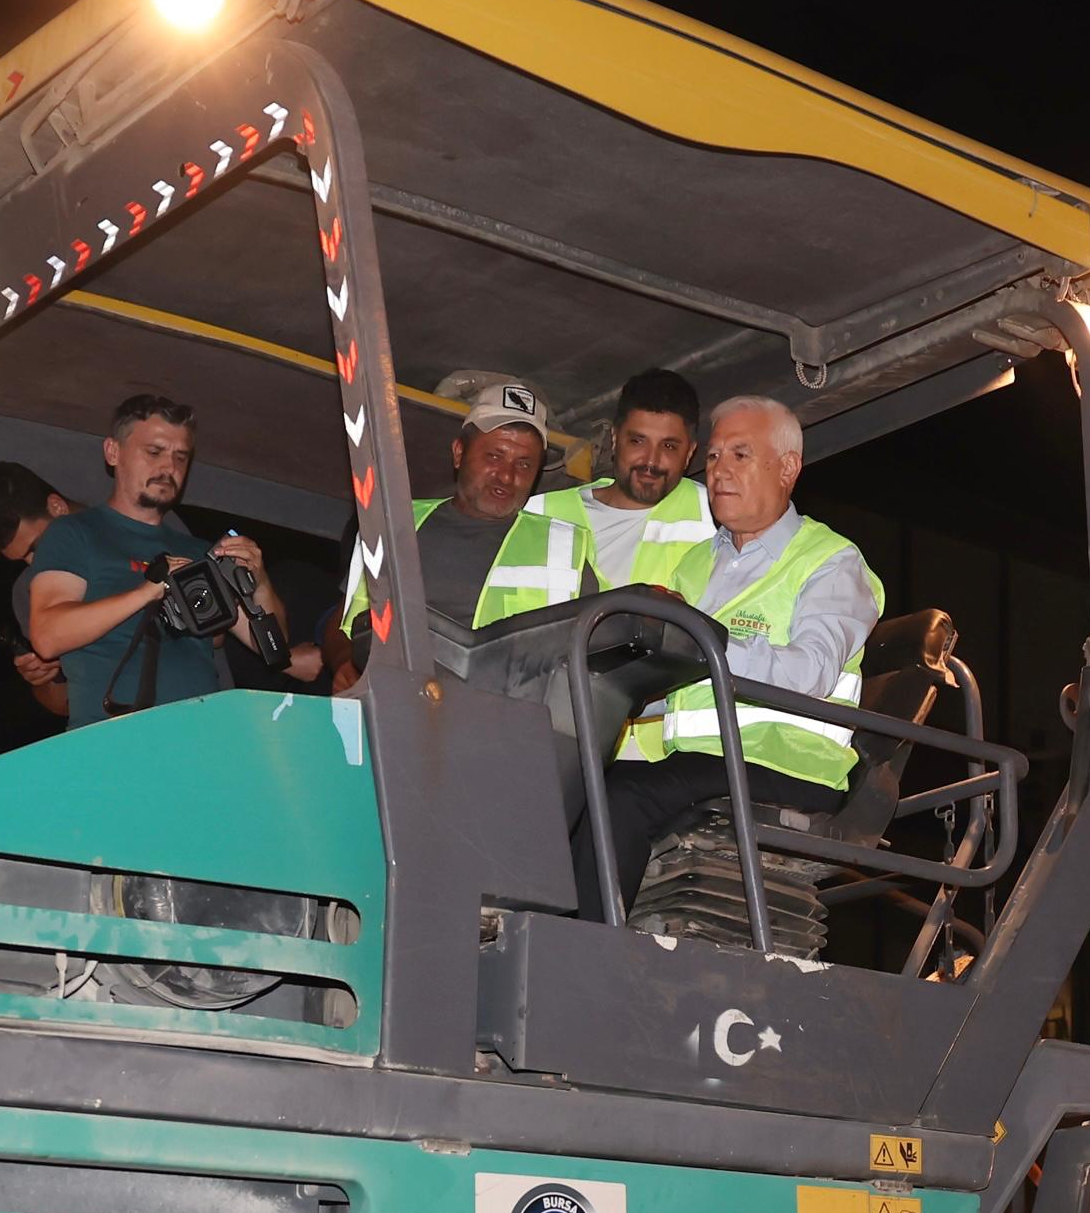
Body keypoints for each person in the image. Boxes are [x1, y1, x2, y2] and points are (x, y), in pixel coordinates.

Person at [579, 395, 881, 916]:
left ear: (787, 469)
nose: (718, 471)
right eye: (714, 457)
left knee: (621, 797)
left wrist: (707, 642)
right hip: (706, 761)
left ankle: (584, 956)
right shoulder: (697, 563)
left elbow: (810, 672)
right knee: (573, 778)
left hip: (786, 762)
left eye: (740, 455)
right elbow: (669, 678)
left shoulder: (831, 561)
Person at [24, 393, 309, 724]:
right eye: (154, 452)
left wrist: (259, 583)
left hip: (200, 736)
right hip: (115, 740)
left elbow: (272, 649)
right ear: (112, 452)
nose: (169, 468)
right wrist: (150, 590)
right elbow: (47, 636)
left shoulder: (199, 551)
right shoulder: (74, 533)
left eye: (181, 457)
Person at [335, 378, 597, 683]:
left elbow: (595, 658)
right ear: (459, 453)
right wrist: (344, 662)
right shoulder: (393, 524)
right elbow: (345, 624)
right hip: (396, 711)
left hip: (507, 723)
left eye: (524, 464)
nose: (507, 475)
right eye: (494, 456)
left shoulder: (564, 549)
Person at [572, 367, 715, 590]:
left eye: (668, 446)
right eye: (638, 441)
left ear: (690, 453)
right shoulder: (546, 514)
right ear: (614, 438)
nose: (651, 461)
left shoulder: (717, 513)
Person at [0, 461, 69, 723]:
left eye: (36, 547)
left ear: (57, 507)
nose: (35, 564)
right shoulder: (27, 591)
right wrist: (45, 678)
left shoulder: (137, 524)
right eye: (22, 559)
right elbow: (63, 704)